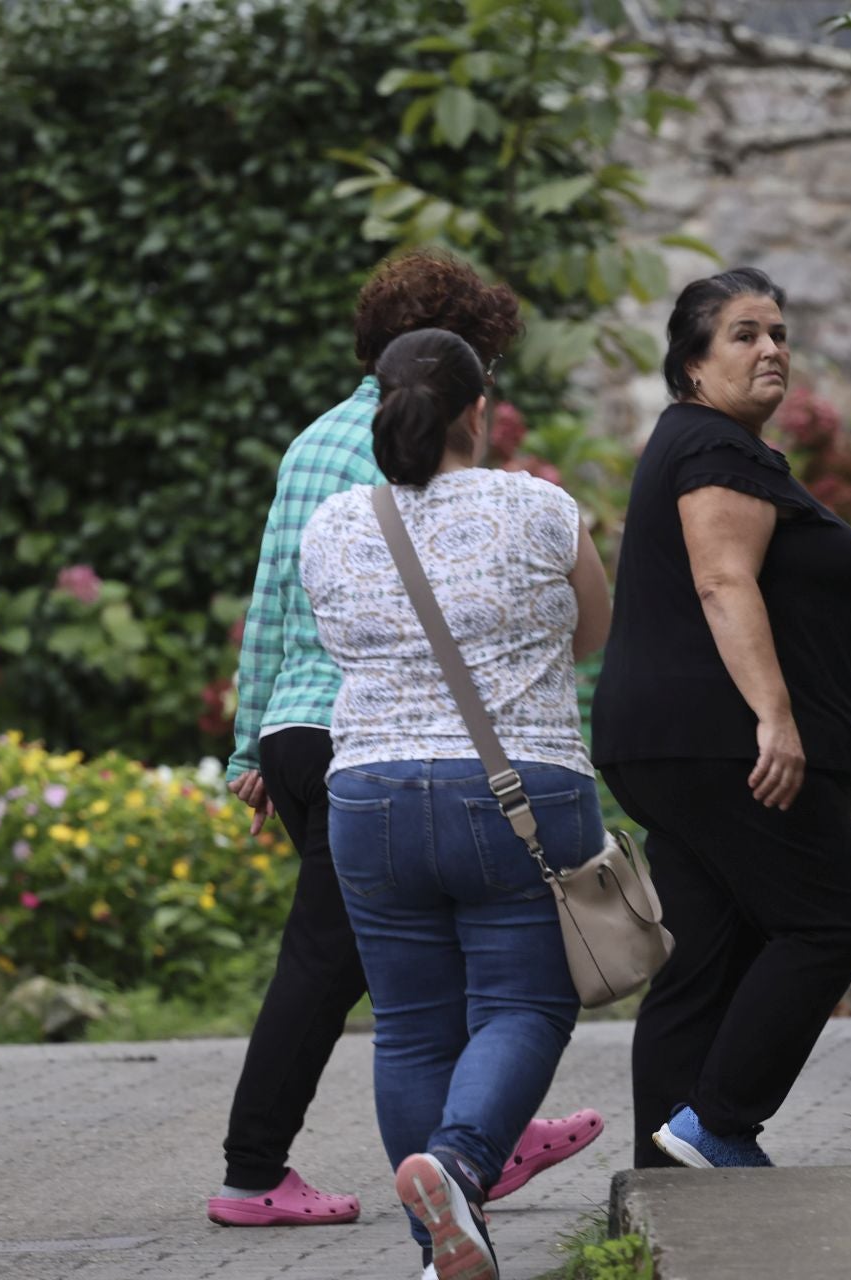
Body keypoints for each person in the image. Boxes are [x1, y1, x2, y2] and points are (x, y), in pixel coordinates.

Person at [212, 254, 603, 1229]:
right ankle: (318, 1163)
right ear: (470, 392)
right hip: (444, 754)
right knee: (470, 983)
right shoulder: (508, 493)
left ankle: (457, 1183)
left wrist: (248, 746)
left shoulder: (313, 453)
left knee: (406, 1005)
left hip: (332, 750)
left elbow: (275, 605)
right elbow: (568, 628)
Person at [302, 328, 613, 1280]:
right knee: (525, 1002)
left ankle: (441, 1257)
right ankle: (460, 1167)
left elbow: (338, 647)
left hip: (368, 794)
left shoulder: (333, 525)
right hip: (519, 789)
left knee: (408, 1025)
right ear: (480, 410)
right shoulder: (540, 509)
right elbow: (595, 635)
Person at [591, 267, 851, 1170]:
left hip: (672, 745)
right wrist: (777, 720)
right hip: (728, 746)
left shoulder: (698, 444)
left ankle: (663, 1180)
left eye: (779, 335)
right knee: (833, 921)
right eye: (745, 335)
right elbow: (723, 582)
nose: (771, 351)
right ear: (691, 364)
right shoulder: (717, 449)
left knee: (706, 956)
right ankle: (715, 1123)